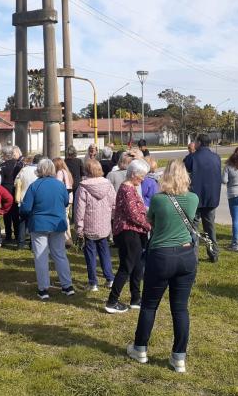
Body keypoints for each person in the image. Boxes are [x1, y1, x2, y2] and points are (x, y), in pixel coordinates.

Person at [126, 160, 198, 373]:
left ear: (165, 177)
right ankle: (179, 357)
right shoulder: (193, 198)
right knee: (180, 308)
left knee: (149, 305)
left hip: (161, 255)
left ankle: (140, 348)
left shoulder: (158, 200)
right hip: (186, 255)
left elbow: (151, 222)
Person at [20, 158, 75, 299]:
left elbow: (25, 208)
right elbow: (64, 202)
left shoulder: (35, 186)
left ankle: (43, 289)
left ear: (39, 169)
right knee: (60, 254)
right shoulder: (59, 185)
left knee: (41, 256)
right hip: (57, 223)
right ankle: (67, 285)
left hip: (39, 224)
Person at [105, 159, 152, 313]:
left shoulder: (131, 187)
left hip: (134, 232)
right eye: (141, 176)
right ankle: (112, 301)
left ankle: (136, 299)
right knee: (126, 267)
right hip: (128, 232)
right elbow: (133, 215)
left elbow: (139, 210)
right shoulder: (126, 189)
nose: (143, 179)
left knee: (138, 266)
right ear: (133, 174)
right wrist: (149, 225)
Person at [74, 159, 116, 291]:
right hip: (104, 224)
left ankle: (93, 283)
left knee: (90, 254)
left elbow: (79, 210)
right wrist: (112, 219)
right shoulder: (108, 184)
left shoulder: (83, 187)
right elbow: (114, 204)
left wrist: (79, 228)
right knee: (104, 251)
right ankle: (110, 279)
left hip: (89, 225)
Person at [183, 134, 221, 262]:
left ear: (198, 142)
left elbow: (183, 168)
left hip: (195, 198)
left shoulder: (193, 157)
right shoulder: (216, 157)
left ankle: (194, 256)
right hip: (211, 197)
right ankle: (213, 253)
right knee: (210, 228)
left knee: (194, 228)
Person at [14, 154, 41, 250]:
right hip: (35, 200)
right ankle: (32, 243)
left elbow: (16, 182)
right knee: (33, 222)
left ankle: (20, 243)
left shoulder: (24, 170)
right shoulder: (40, 172)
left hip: (23, 199)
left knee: (22, 222)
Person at [0, 146, 24, 247]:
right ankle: (18, 235)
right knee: (16, 213)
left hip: (5, 189)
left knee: (7, 213)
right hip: (16, 189)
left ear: (5, 155)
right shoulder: (19, 164)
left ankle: (8, 235)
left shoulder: (2, 166)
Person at [54, 157, 76, 246]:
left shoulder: (59, 172)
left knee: (64, 218)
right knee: (66, 217)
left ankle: (67, 238)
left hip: (63, 198)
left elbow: (58, 186)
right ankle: (68, 238)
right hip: (69, 197)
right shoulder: (67, 172)